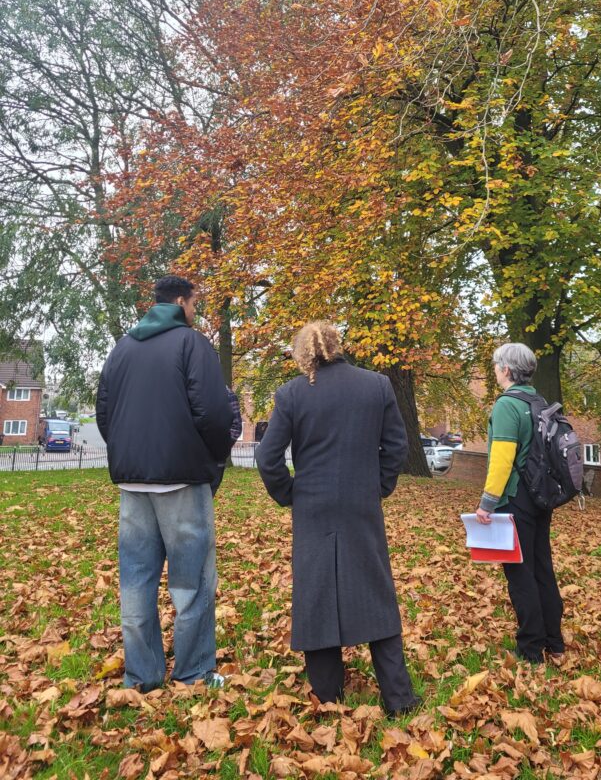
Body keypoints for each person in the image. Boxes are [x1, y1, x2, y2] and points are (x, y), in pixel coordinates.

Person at [255, 321, 421, 716]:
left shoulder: (292, 393)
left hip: (312, 506)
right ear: (337, 345)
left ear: (304, 354)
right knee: (375, 588)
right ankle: (398, 698)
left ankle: (327, 694)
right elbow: (397, 446)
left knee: (316, 593)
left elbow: (267, 456)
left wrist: (289, 493)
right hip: (360, 503)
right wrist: (378, 486)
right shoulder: (376, 385)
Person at [96, 275, 235, 691]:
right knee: (191, 582)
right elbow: (213, 412)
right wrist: (213, 459)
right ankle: (193, 673)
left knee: (135, 582)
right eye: (195, 303)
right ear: (179, 302)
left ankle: (142, 677)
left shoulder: (122, 348)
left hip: (133, 483)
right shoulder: (192, 345)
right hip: (182, 481)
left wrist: (129, 453)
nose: (197, 311)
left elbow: (105, 411)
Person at [475, 342, 565, 665]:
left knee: (519, 574)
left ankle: (530, 648)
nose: (496, 370)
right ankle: (554, 642)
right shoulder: (538, 401)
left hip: (515, 499)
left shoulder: (506, 406)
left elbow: (501, 459)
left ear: (507, 370)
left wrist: (487, 503)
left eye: (498, 365)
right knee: (542, 568)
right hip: (541, 498)